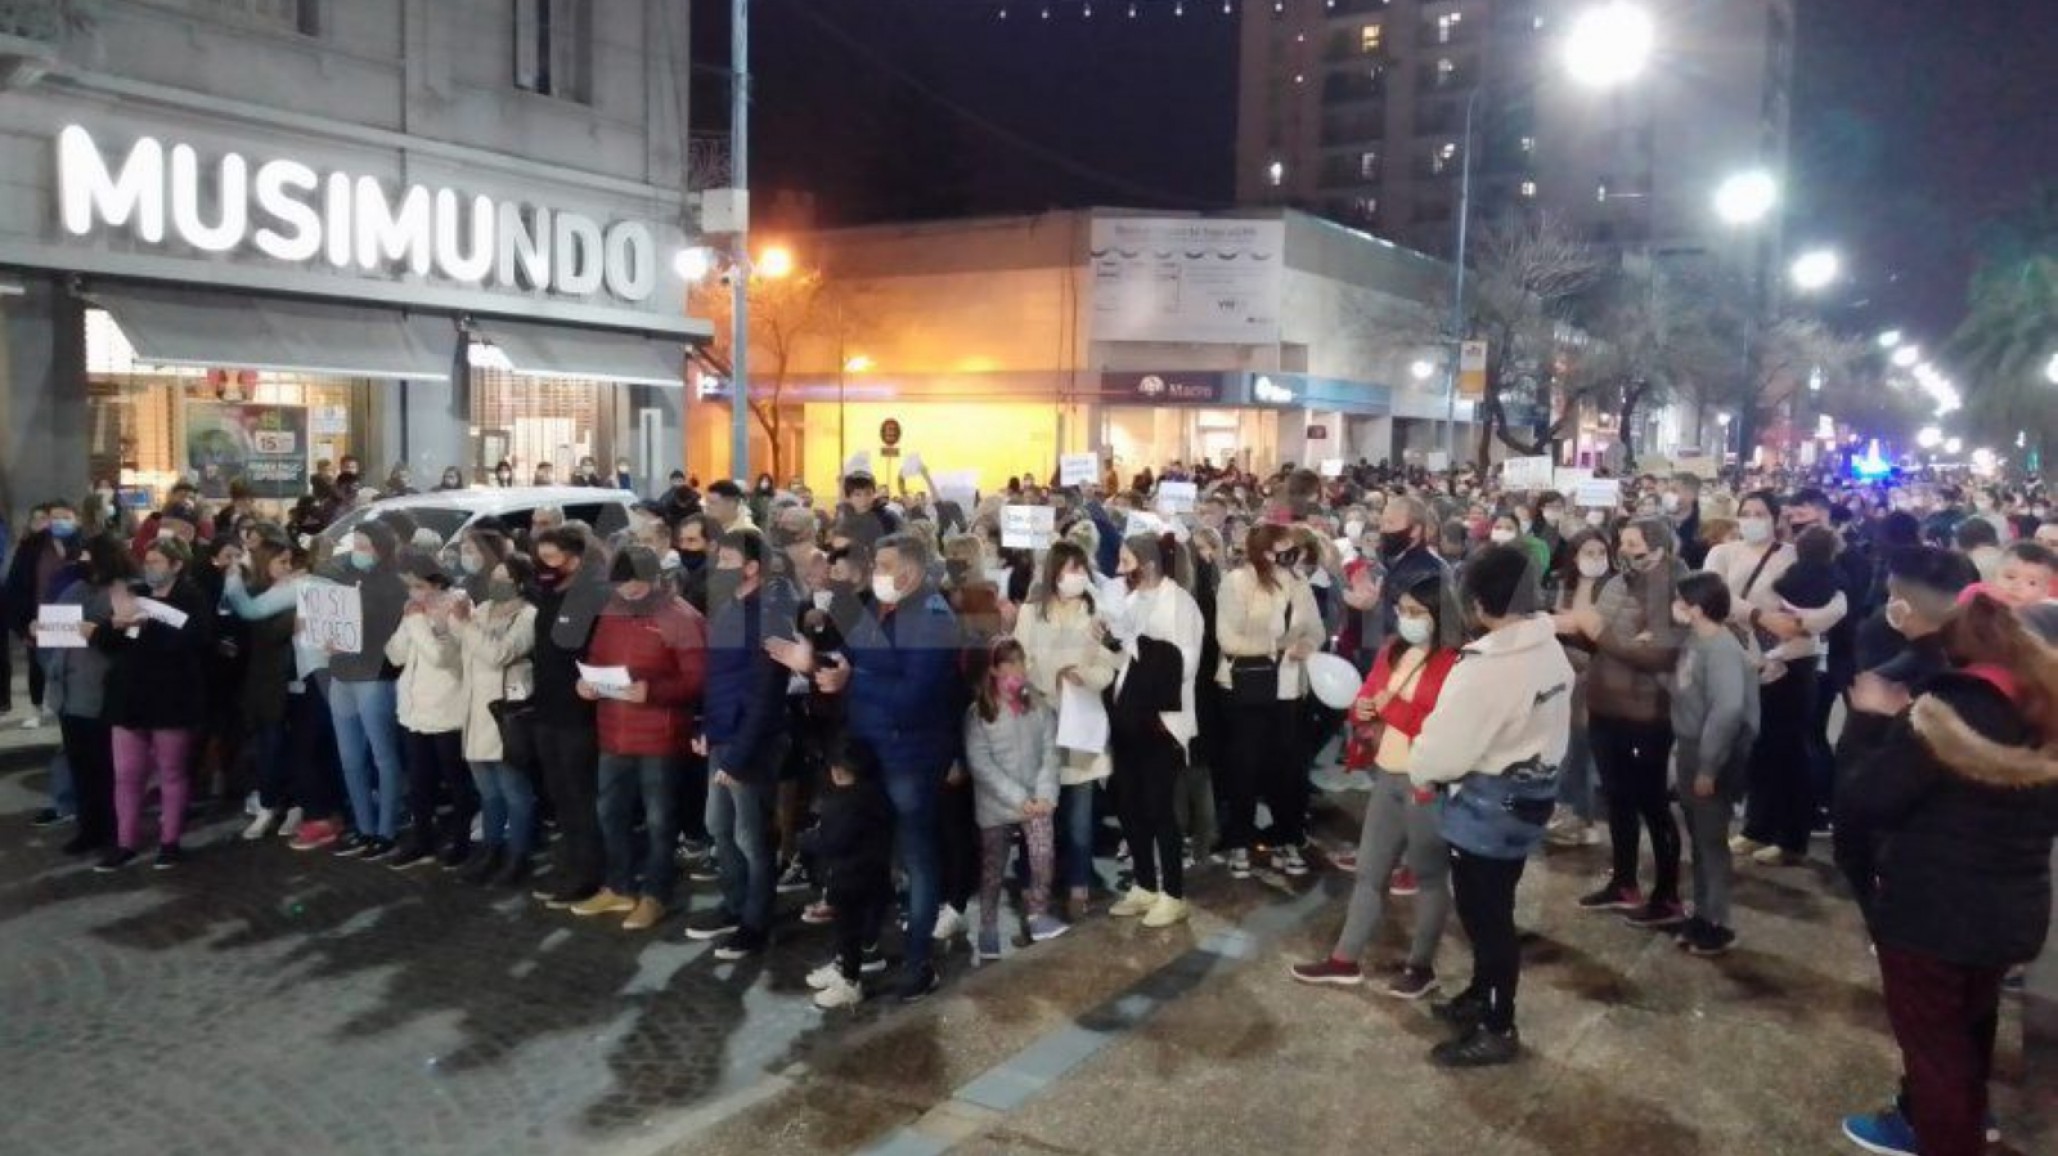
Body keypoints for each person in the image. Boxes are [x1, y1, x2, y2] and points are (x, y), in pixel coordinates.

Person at [1835, 594, 2058, 1156]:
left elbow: (1867, 799)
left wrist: (1869, 723)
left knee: (1934, 1057)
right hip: (2013, 913)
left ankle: (1943, 1137)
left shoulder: (1940, 715)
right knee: (1967, 1033)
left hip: (1931, 916)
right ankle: (1967, 1126)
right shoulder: (2045, 713)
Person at [773, 531, 962, 1002]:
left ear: (911, 571)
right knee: (865, 860)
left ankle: (918, 964)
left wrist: (852, 680)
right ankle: (861, 953)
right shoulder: (884, 608)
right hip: (871, 750)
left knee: (916, 860)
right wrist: (813, 661)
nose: (875, 573)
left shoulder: (934, 619)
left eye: (882, 564)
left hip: (910, 757)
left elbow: (915, 697)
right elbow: (854, 659)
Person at [1408, 544, 1573, 1067]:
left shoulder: (1486, 666)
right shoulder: (1547, 648)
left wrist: (1422, 766)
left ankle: (1499, 1024)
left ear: (1477, 604)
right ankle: (1481, 995)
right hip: (1532, 793)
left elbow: (1447, 748)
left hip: (1487, 803)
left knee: (1487, 917)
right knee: (1493, 904)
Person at [1290, 572, 1460, 999]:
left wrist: (1390, 709)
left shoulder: (1455, 662)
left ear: (1441, 615)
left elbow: (1438, 722)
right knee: (1369, 871)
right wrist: (1364, 711)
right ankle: (1344, 959)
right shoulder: (1392, 649)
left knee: (1429, 876)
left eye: (1417, 613)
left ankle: (1421, 966)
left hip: (1427, 781)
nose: (1407, 619)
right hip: (1387, 774)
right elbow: (1365, 696)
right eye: (1402, 610)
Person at [572, 546, 706, 932]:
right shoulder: (612, 611)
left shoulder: (680, 617)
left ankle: (656, 894)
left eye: (634, 586)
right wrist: (587, 682)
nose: (628, 594)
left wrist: (653, 692)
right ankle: (619, 885)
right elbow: (596, 656)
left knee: (660, 819)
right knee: (610, 813)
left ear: (655, 579)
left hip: (660, 736)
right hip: (613, 730)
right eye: (622, 587)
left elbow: (697, 679)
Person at [1564, 517, 1687, 926]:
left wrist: (1601, 635)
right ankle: (1624, 880)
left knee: (1651, 802)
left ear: (1658, 548)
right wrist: (1575, 630)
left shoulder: (1668, 590)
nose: (1624, 550)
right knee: (1617, 798)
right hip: (1605, 705)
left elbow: (1659, 655)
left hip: (1644, 712)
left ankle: (1667, 895)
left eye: (1634, 543)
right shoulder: (1616, 584)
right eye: (1623, 542)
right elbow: (1595, 636)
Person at [690, 529, 798, 957]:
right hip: (722, 735)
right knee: (719, 827)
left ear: (752, 566)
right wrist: (704, 726)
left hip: (751, 742)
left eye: (728, 560)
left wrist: (737, 754)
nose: (719, 568)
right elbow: (717, 677)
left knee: (751, 836)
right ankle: (734, 904)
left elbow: (765, 693)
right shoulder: (729, 608)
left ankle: (756, 919)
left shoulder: (770, 615)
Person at [91, 539, 213, 871]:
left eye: (157, 561)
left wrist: (150, 626)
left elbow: (198, 639)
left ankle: (169, 842)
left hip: (171, 697)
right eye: (148, 560)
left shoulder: (192, 597)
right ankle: (125, 842)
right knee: (126, 774)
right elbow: (107, 641)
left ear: (176, 565)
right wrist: (114, 626)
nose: (150, 567)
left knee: (171, 772)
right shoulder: (136, 593)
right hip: (129, 697)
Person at [1104, 532, 1206, 927]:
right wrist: (1112, 642)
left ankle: (1173, 892)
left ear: (1146, 564)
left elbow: (1185, 664)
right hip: (1129, 717)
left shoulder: (1180, 604)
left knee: (1161, 808)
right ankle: (1145, 883)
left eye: (1126, 562)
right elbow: (1125, 662)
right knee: (1131, 805)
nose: (1119, 570)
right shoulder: (1129, 601)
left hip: (1162, 722)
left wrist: (1137, 643)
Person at [1012, 540, 1117, 913]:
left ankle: (1078, 885)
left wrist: (1083, 675)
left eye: (1080, 569)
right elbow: (1015, 666)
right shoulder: (1030, 614)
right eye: (1069, 569)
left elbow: (1108, 666)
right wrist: (1038, 684)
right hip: (1040, 723)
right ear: (1053, 573)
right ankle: (1034, 880)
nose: (1076, 576)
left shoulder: (1096, 615)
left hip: (1081, 723)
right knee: (1038, 812)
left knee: (1079, 816)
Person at [1214, 523, 1324, 877]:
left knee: (1288, 768)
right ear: (1264, 550)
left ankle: (1287, 837)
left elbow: (1316, 629)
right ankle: (1239, 843)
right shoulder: (1237, 583)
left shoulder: (1298, 583)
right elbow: (1228, 639)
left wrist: (1308, 644)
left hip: (1290, 687)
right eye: (1283, 547)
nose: (1291, 553)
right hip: (1248, 686)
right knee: (1244, 767)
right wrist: (1273, 647)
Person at [1667, 572, 1760, 957]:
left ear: (1698, 608)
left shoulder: (1721, 649)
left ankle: (1718, 921)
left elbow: (1728, 710)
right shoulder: (1696, 641)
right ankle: (1703, 913)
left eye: (1681, 602)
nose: (1676, 608)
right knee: (1700, 838)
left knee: (1711, 841)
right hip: (1691, 747)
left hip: (1713, 754)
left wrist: (1708, 767)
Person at [962, 637, 1067, 958]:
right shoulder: (980, 712)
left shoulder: (1037, 704)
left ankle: (1037, 913)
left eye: (1021, 662)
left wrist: (1045, 793)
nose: (1018, 670)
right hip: (997, 806)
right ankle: (988, 927)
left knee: (1042, 856)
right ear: (994, 669)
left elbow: (1051, 751)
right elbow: (981, 765)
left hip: (1037, 802)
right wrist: (1019, 798)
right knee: (993, 870)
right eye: (1009, 664)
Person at [527, 526, 611, 909]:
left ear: (574, 560)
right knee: (559, 793)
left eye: (551, 558)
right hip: (547, 707)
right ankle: (570, 862)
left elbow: (599, 650)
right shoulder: (548, 592)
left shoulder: (592, 595)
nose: (543, 565)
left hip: (578, 713)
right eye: (540, 557)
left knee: (580, 794)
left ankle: (589, 872)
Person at [322, 521, 411, 860]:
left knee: (383, 756)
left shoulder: (393, 586)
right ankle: (364, 825)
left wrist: (352, 641)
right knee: (350, 759)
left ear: (380, 548)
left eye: (364, 545)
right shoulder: (344, 578)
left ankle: (386, 829)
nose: (357, 552)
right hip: (342, 675)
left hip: (375, 676)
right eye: (355, 544)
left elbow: (391, 637)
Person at [385, 550, 477, 871]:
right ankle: (421, 837)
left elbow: (443, 657)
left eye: (418, 585)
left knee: (455, 780)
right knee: (420, 780)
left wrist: (420, 626)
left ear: (435, 582)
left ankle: (462, 840)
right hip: (413, 710)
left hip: (446, 709)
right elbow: (395, 655)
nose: (414, 593)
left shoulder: (457, 606)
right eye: (409, 586)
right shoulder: (413, 612)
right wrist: (409, 623)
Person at [453, 553, 540, 885]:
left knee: (513, 790)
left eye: (504, 579)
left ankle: (518, 854)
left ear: (519, 583)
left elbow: (498, 654)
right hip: (475, 712)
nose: (495, 584)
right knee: (487, 791)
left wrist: (464, 626)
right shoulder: (483, 609)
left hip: (506, 715)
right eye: (494, 577)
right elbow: (464, 650)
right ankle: (491, 849)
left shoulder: (528, 616)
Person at [42, 533, 125, 858]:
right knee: (80, 765)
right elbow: (56, 626)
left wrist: (100, 631)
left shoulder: (122, 591)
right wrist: (42, 627)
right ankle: (89, 827)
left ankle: (111, 826)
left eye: (89, 556)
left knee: (103, 765)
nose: (83, 562)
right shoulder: (75, 589)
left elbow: (127, 635)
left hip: (97, 688)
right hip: (68, 689)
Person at [801, 738, 896, 1011]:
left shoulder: (847, 803)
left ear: (837, 771)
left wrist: (806, 840)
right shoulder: (874, 795)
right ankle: (843, 964)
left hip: (849, 876)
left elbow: (832, 841)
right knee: (848, 928)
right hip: (867, 873)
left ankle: (849, 981)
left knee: (847, 928)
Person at [1544, 529, 1611, 848]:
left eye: (1601, 552)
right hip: (1560, 672)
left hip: (1596, 675)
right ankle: (1565, 810)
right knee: (1561, 744)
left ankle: (1579, 814)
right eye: (1588, 552)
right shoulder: (1560, 584)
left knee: (1580, 744)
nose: (1595, 559)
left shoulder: (1614, 588)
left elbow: (1608, 633)